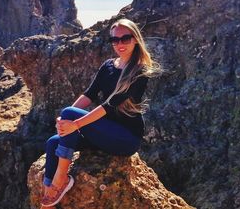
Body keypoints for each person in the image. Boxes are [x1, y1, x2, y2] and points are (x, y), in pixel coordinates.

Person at [40, 18, 162, 207]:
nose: (119, 44)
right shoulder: (108, 66)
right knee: (52, 142)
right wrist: (66, 122)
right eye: (115, 40)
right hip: (104, 133)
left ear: (135, 39)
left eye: (125, 38)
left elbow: (109, 106)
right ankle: (49, 188)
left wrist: (75, 122)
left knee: (69, 116)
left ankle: (61, 178)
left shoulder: (139, 72)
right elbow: (88, 95)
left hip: (125, 139)